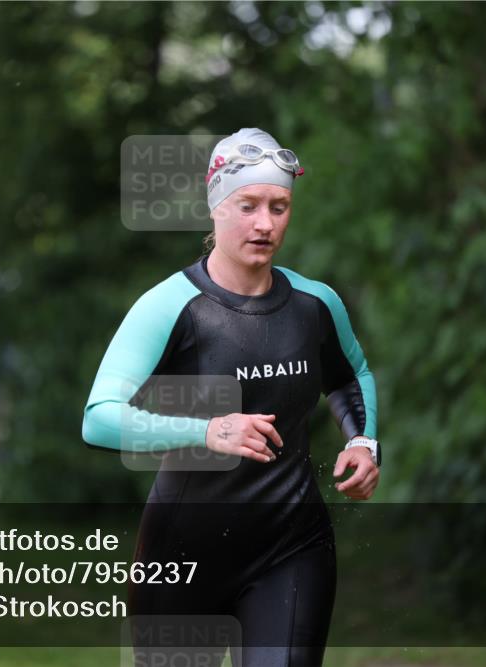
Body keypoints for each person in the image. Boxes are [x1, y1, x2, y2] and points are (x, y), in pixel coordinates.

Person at [82, 128, 380, 666]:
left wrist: (363, 442)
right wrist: (207, 431)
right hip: (182, 555)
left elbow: (350, 373)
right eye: (248, 205)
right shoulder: (171, 305)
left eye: (279, 206)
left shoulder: (315, 304)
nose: (265, 223)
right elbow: (99, 419)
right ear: (216, 206)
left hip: (291, 547)